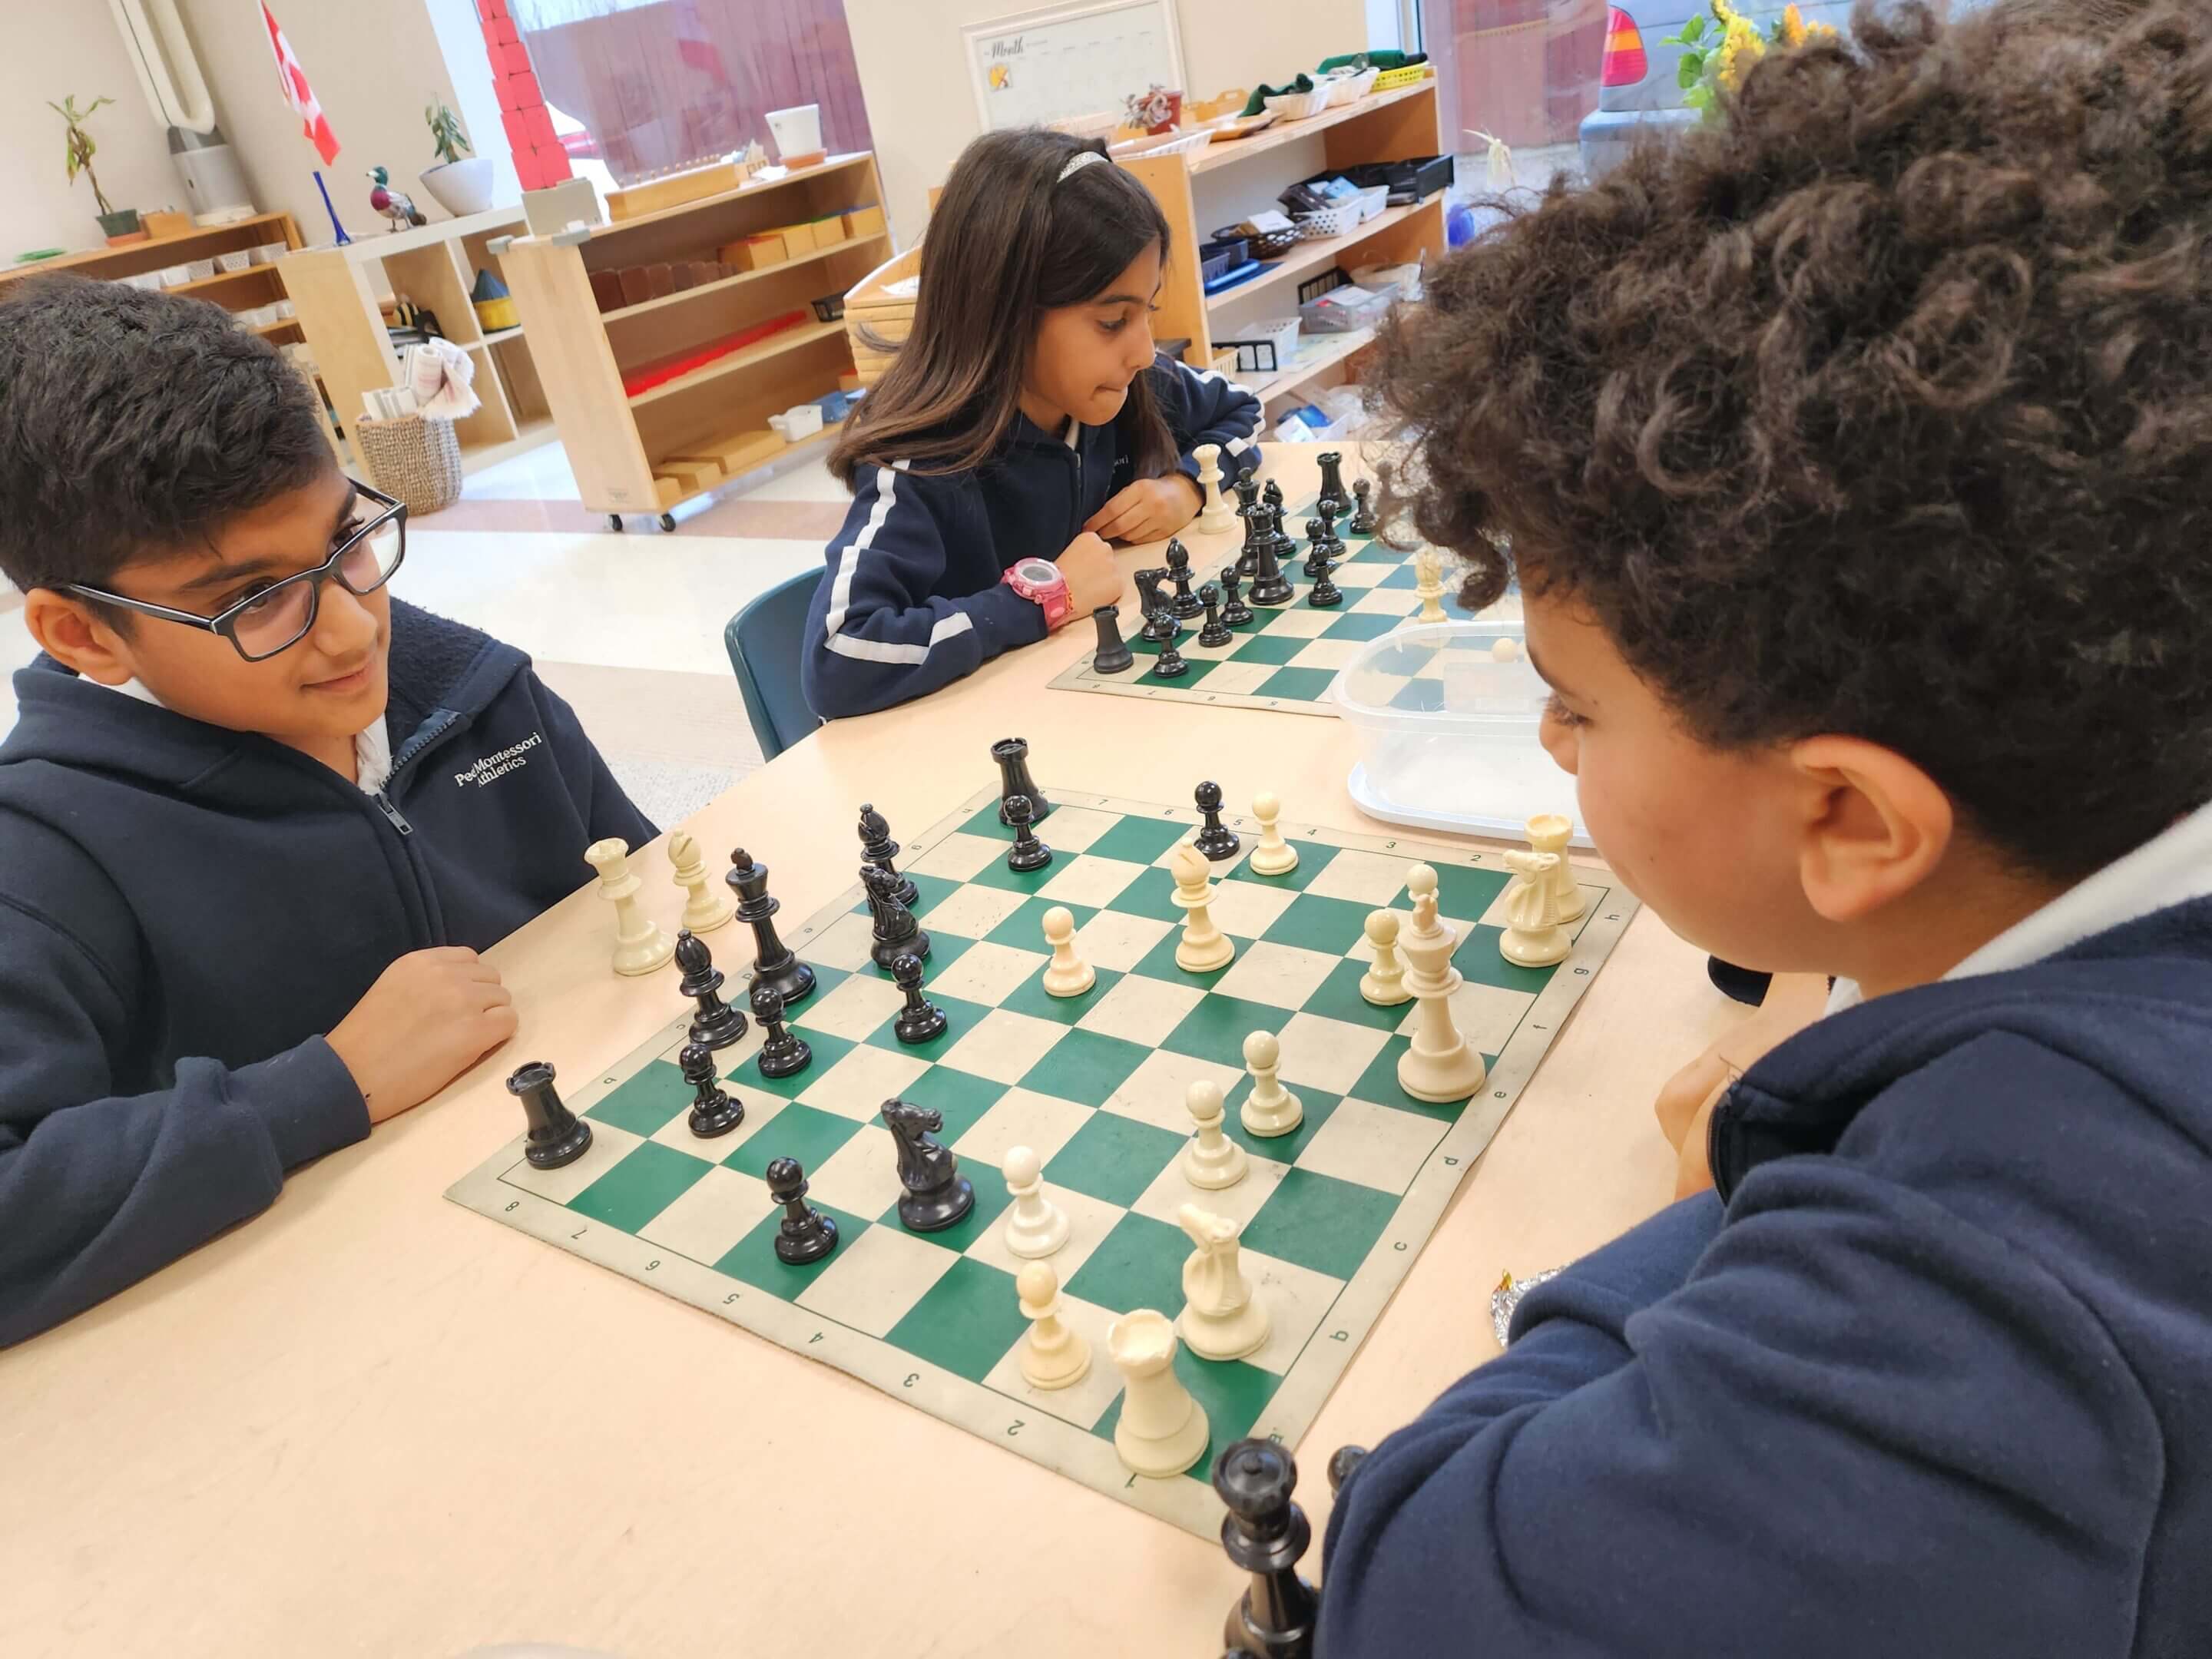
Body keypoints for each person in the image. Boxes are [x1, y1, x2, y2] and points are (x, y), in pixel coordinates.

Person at [1320, 2, 2212, 1653]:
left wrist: (1735, 1193)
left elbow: (1408, 1582)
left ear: (1854, 822)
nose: (1547, 735)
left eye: (1576, 705)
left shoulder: (1987, 1291)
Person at [0, 277, 656, 1347]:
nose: (352, 634)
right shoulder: (42, 854)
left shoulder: (471, 687)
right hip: (332, 1339)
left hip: (600, 1217)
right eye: (255, 601)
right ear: (83, 636)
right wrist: (324, 1087)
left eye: (348, 544)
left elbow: (643, 890)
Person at [800, 130, 1262, 720]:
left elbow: (1241, 409)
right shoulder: (922, 461)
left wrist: (1188, 486)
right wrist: (1044, 598)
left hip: (1088, 704)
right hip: (978, 745)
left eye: (1146, 310)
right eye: (1113, 321)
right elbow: (837, 657)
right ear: (1006, 312)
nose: (1144, 351)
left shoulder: (1121, 388)